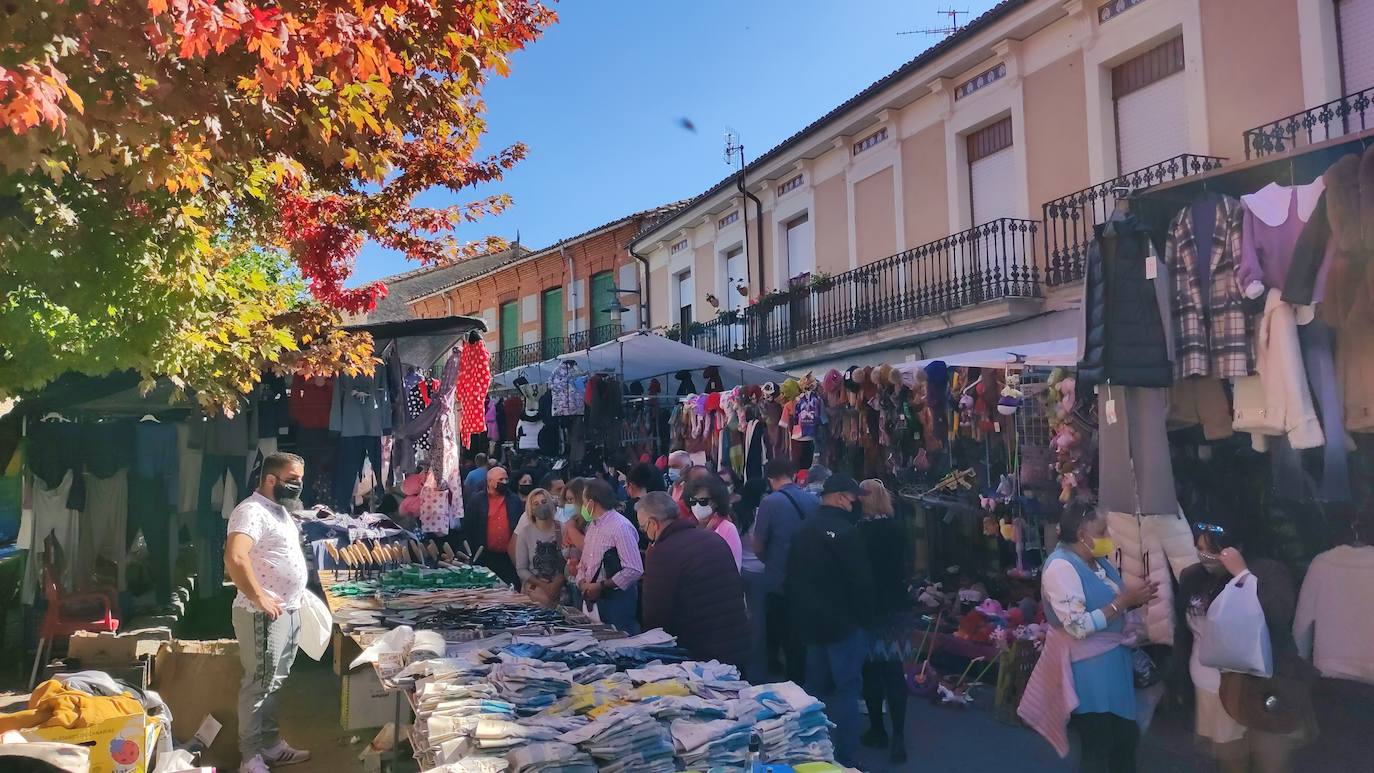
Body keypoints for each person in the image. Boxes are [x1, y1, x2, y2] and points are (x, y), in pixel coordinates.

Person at [1021, 501, 1158, 773]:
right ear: (1083, 535)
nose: (1108, 538)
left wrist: (1132, 601)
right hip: (1089, 671)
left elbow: (1113, 603)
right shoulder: (1060, 567)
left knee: (1124, 741)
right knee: (1099, 745)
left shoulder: (1099, 563)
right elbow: (1077, 626)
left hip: (1114, 666)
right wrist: (1122, 603)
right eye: (1102, 531)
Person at [1174, 522, 1315, 773]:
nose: (1205, 556)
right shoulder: (1193, 577)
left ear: (1236, 547)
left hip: (1262, 686)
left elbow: (1278, 614)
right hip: (1212, 688)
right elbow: (1184, 635)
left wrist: (1243, 576)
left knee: (1270, 761)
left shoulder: (1268, 571)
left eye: (1212, 550)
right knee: (1231, 762)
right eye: (1200, 549)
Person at [223, 453, 311, 773]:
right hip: (262, 614)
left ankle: (271, 745)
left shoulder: (281, 512)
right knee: (259, 684)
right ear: (271, 479)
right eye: (293, 480)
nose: (299, 486)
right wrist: (259, 597)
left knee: (276, 681)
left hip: (286, 611)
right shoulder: (250, 511)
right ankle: (250, 757)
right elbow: (235, 557)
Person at [784, 474, 875, 767]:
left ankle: (814, 754)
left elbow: (791, 577)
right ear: (838, 497)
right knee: (847, 691)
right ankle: (845, 758)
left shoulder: (802, 530)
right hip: (844, 625)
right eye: (853, 499)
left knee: (815, 691)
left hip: (811, 624)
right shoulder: (848, 533)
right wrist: (864, 620)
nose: (855, 504)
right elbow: (860, 583)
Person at [637, 491, 750, 666]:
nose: (645, 532)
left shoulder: (662, 553)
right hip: (736, 640)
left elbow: (656, 615)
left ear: (653, 524)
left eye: (643, 528)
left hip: (698, 652)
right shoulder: (713, 538)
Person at [857, 478, 913, 765]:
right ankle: (899, 737)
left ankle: (877, 729)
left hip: (869, 609)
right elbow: (909, 565)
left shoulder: (858, 532)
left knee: (871, 671)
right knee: (894, 672)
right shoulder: (898, 529)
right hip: (897, 607)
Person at [755, 457, 817, 684]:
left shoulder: (770, 503)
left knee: (781, 629)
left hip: (779, 577)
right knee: (800, 634)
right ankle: (804, 676)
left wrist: (769, 559)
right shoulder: (812, 500)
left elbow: (759, 543)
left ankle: (785, 678)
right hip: (807, 577)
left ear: (770, 478)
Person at [575, 478, 644, 634]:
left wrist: (602, 585)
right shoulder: (592, 526)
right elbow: (584, 563)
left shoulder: (621, 527)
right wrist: (581, 583)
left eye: (584, 501)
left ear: (591, 503)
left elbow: (634, 569)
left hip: (616, 602)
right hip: (592, 602)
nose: (583, 507)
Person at [461, 465, 524, 586]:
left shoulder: (514, 500)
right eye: (501, 480)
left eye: (506, 479)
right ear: (490, 482)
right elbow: (468, 528)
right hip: (484, 556)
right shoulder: (477, 501)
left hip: (508, 558)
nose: (504, 482)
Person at [511, 488, 564, 608]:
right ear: (531, 509)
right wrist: (543, 585)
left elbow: (569, 563)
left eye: (544, 502)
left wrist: (556, 584)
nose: (541, 506)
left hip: (560, 595)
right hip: (534, 595)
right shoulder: (525, 533)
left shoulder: (562, 529)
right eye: (536, 504)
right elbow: (521, 569)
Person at [685, 473, 742, 569]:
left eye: (702, 501)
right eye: (693, 501)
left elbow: (735, 566)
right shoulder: (689, 526)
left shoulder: (727, 528)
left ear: (716, 502)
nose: (696, 506)